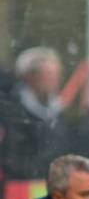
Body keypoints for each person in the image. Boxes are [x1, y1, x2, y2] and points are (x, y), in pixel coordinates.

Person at [1, 47, 72, 180]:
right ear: (30, 76)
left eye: (57, 74)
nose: (55, 80)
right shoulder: (11, 111)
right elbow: (13, 156)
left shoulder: (58, 112)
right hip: (20, 189)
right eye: (49, 74)